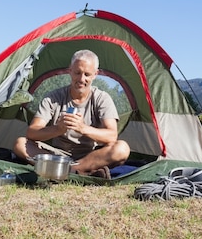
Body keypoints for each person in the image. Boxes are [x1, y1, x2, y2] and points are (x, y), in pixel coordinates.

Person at [13, 49, 131, 179]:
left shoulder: (102, 98)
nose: (81, 79)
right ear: (70, 71)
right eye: (77, 73)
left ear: (95, 75)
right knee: (20, 144)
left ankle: (71, 170)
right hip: (56, 155)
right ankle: (82, 172)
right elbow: (32, 132)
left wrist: (82, 128)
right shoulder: (53, 97)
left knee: (122, 149)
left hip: (90, 155)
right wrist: (58, 129)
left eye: (87, 74)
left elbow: (112, 136)